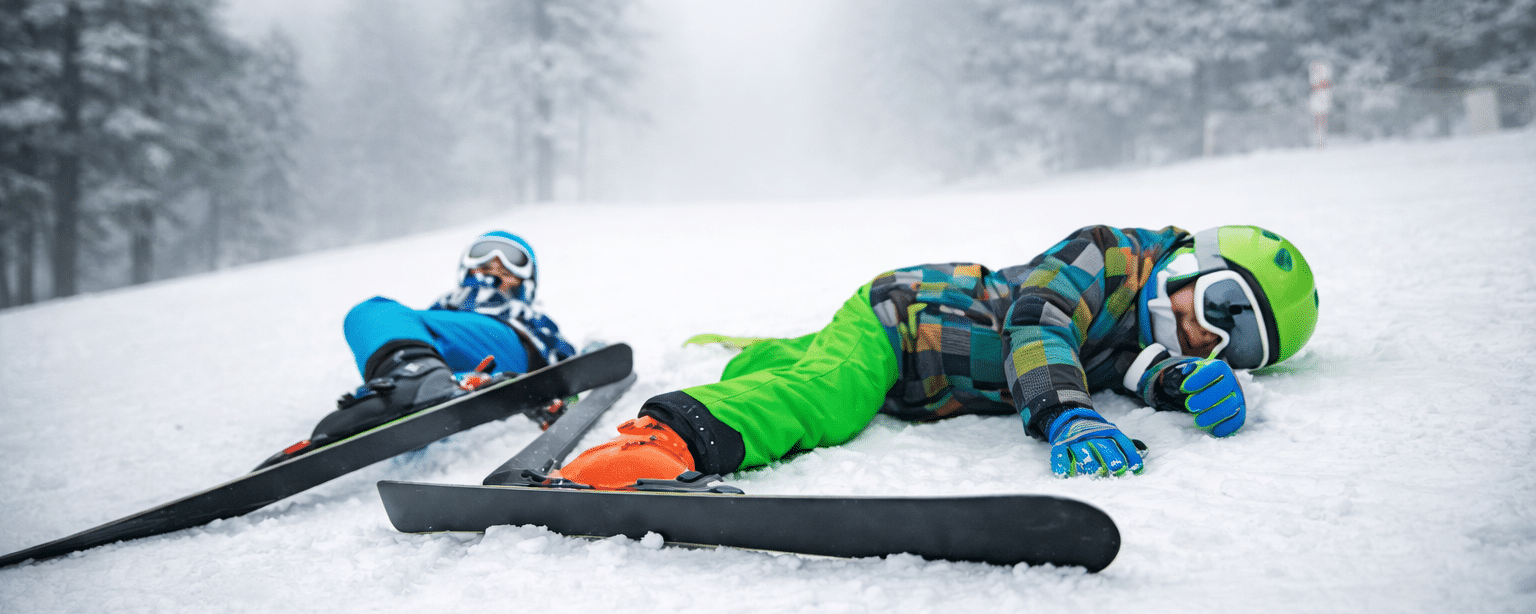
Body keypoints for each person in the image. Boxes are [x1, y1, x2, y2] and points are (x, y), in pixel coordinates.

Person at [549, 225, 1318, 489]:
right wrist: (1067, 413)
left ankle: (759, 365)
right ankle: (663, 438)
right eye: (1219, 309)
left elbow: (1131, 368)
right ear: (1192, 260)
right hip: (903, 324)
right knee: (832, 395)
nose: (1205, 334)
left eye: (1238, 343)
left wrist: (1195, 383)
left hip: (918, 377)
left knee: (814, 372)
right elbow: (1039, 318)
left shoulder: (1139, 335)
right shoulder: (1111, 253)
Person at [259, 231, 577, 468]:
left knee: (378, 310)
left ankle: (418, 382)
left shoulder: (530, 315)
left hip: (504, 342)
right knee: (370, 314)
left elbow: (569, 358)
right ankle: (411, 388)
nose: (493, 267)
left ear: (526, 280)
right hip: (450, 365)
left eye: (508, 264)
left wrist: (562, 384)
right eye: (483, 260)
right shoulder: (440, 310)